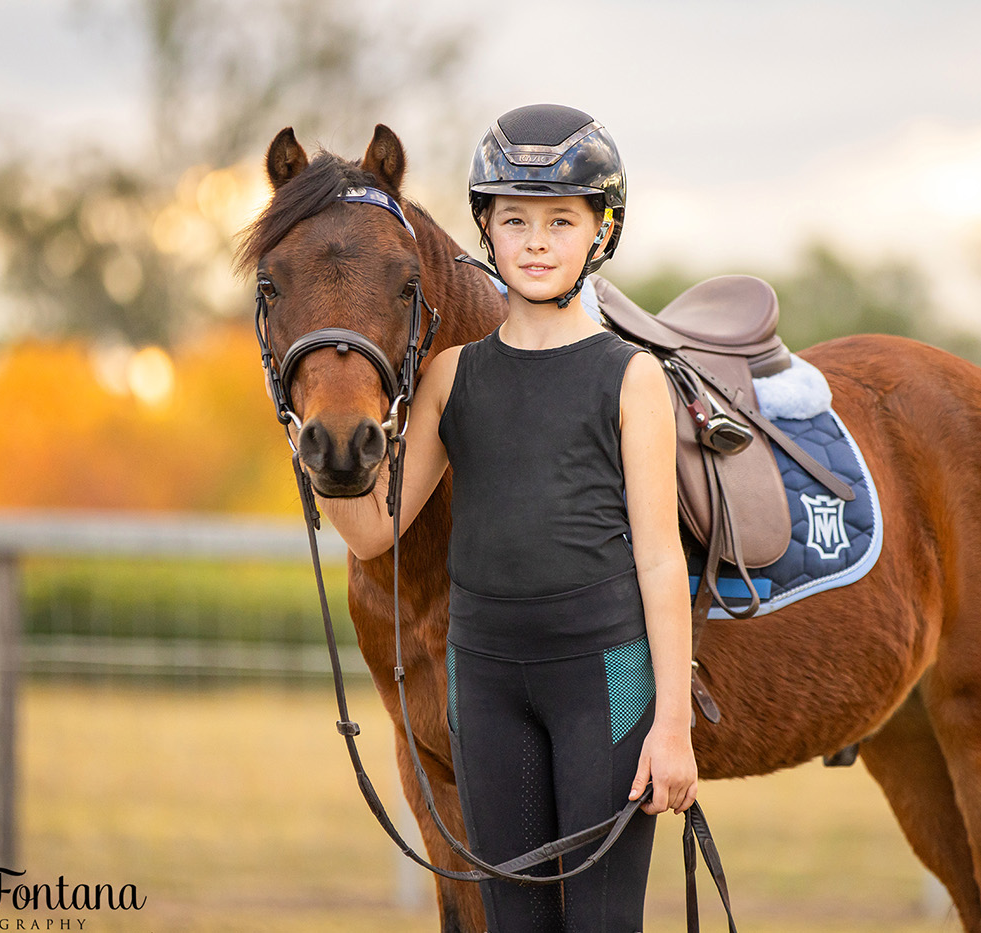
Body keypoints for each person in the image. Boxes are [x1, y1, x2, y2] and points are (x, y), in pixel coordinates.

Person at [318, 103, 695, 933]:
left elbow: (662, 561)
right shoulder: (454, 376)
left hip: (607, 682)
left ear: (600, 233)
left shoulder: (631, 378)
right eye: (514, 219)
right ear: (484, 228)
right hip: (484, 686)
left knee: (599, 923)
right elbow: (375, 531)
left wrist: (671, 724)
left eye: (561, 221)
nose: (535, 241)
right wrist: (326, 453)